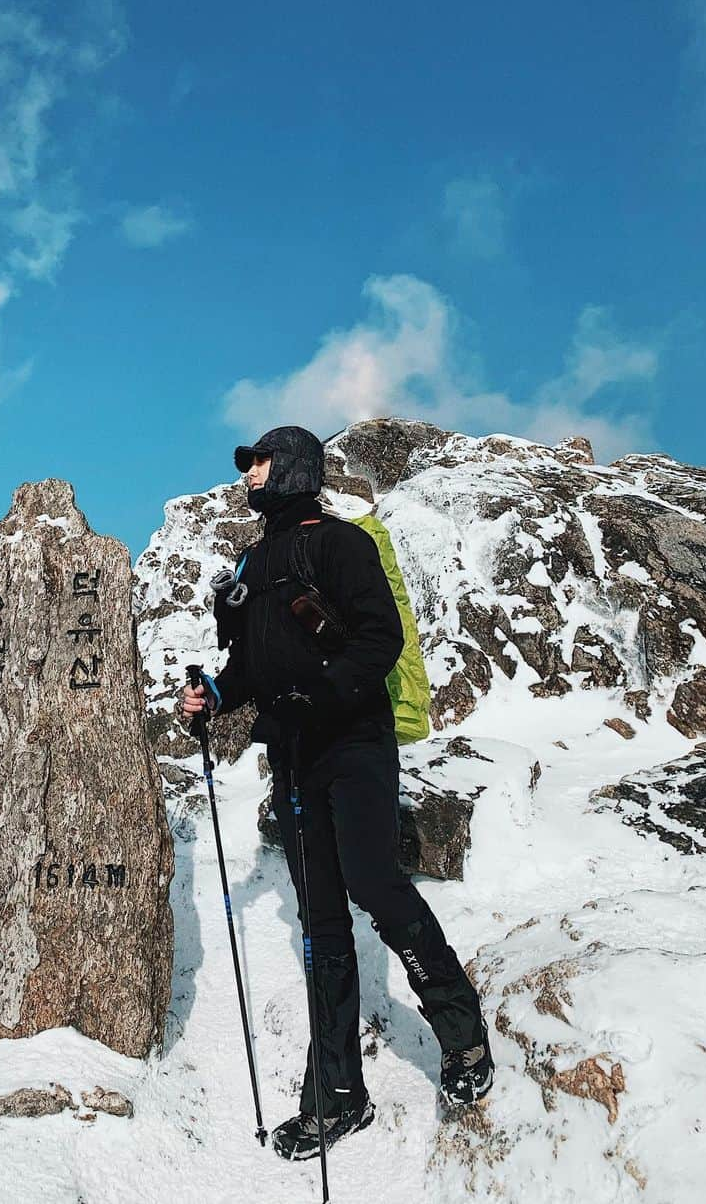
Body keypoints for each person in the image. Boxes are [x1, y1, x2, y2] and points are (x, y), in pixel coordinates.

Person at [181, 425, 493, 1162]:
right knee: (321, 922)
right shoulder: (252, 562)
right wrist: (216, 695)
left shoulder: (341, 545)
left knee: (377, 885)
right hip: (293, 755)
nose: (248, 475)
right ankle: (338, 1097)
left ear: (289, 467)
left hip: (352, 743)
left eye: (256, 463)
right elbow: (250, 665)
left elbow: (378, 640)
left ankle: (462, 1034)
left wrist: (323, 695)